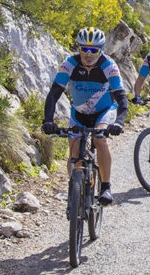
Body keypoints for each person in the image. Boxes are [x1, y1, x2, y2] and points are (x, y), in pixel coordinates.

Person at [42, 27, 127, 206]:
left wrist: (119, 122)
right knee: (74, 152)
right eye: (84, 49)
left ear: (101, 50)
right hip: (79, 113)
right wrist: (48, 120)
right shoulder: (69, 63)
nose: (88, 54)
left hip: (103, 111)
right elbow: (54, 94)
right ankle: (75, 188)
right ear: (79, 48)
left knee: (99, 138)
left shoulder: (109, 65)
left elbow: (120, 97)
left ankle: (105, 187)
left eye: (94, 50)